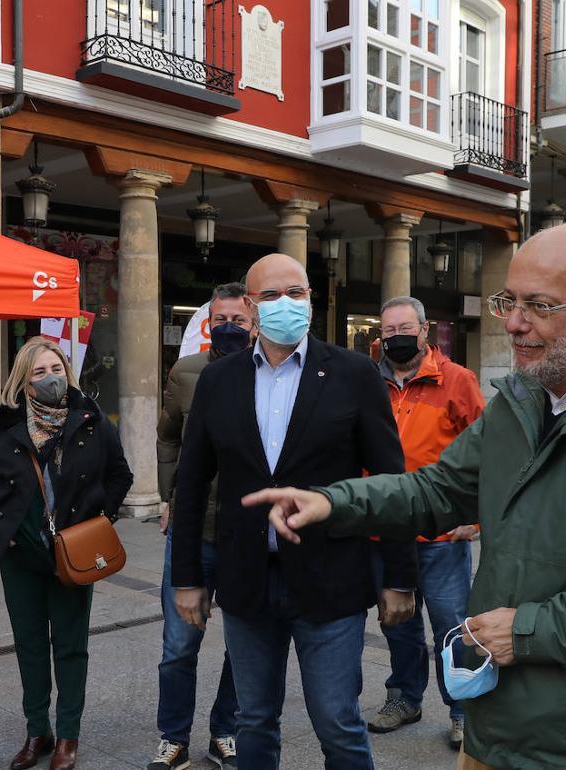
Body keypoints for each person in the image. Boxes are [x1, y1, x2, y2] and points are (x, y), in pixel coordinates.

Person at [246, 221, 566, 770]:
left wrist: (527, 633)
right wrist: (335, 503)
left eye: (539, 306)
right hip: (493, 724)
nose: (514, 324)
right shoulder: (524, 395)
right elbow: (439, 490)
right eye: (508, 301)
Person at [171, 253, 418, 770]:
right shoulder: (219, 381)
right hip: (247, 580)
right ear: (252, 309)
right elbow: (191, 484)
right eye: (271, 295)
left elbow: (392, 482)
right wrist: (187, 577)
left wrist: (400, 577)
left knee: (337, 720)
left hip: (331, 579)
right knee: (254, 720)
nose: (286, 304)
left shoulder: (352, 373)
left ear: (311, 298)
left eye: (297, 292)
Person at [0, 337, 133, 770]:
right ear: (23, 379)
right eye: (38, 372)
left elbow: (120, 475)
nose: (49, 377)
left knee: (71, 646)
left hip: (72, 556)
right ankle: (38, 731)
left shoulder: (90, 419)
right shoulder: (1, 424)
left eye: (55, 368)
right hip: (21, 556)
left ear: (67, 372)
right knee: (30, 646)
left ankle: (67, 737)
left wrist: (100, 521)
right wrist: (1, 526)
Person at [367, 296, 484, 750]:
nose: (396, 337)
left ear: (424, 331)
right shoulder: (367, 381)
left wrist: (475, 518)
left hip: (440, 533)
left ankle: (463, 711)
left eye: (404, 328)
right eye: (388, 330)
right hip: (386, 528)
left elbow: (486, 453)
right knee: (397, 621)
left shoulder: (458, 381)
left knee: (452, 624)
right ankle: (404, 697)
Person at [149, 282, 252, 770]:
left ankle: (225, 731)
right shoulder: (187, 373)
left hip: (246, 536)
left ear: (254, 326)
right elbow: (167, 436)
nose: (228, 328)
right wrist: (170, 495)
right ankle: (172, 738)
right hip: (193, 532)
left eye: (239, 320)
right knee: (178, 645)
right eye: (220, 320)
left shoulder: (268, 375)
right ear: (207, 323)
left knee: (243, 644)